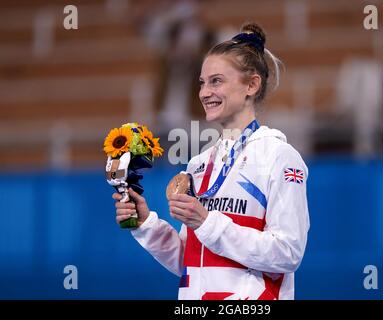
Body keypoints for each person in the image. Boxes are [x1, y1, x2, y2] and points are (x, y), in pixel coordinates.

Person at [113, 22, 310, 300]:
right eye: (202, 82)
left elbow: (288, 253)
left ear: (252, 85)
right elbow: (190, 259)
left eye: (216, 81)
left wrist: (207, 222)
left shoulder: (278, 156)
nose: (205, 92)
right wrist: (146, 224)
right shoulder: (199, 164)